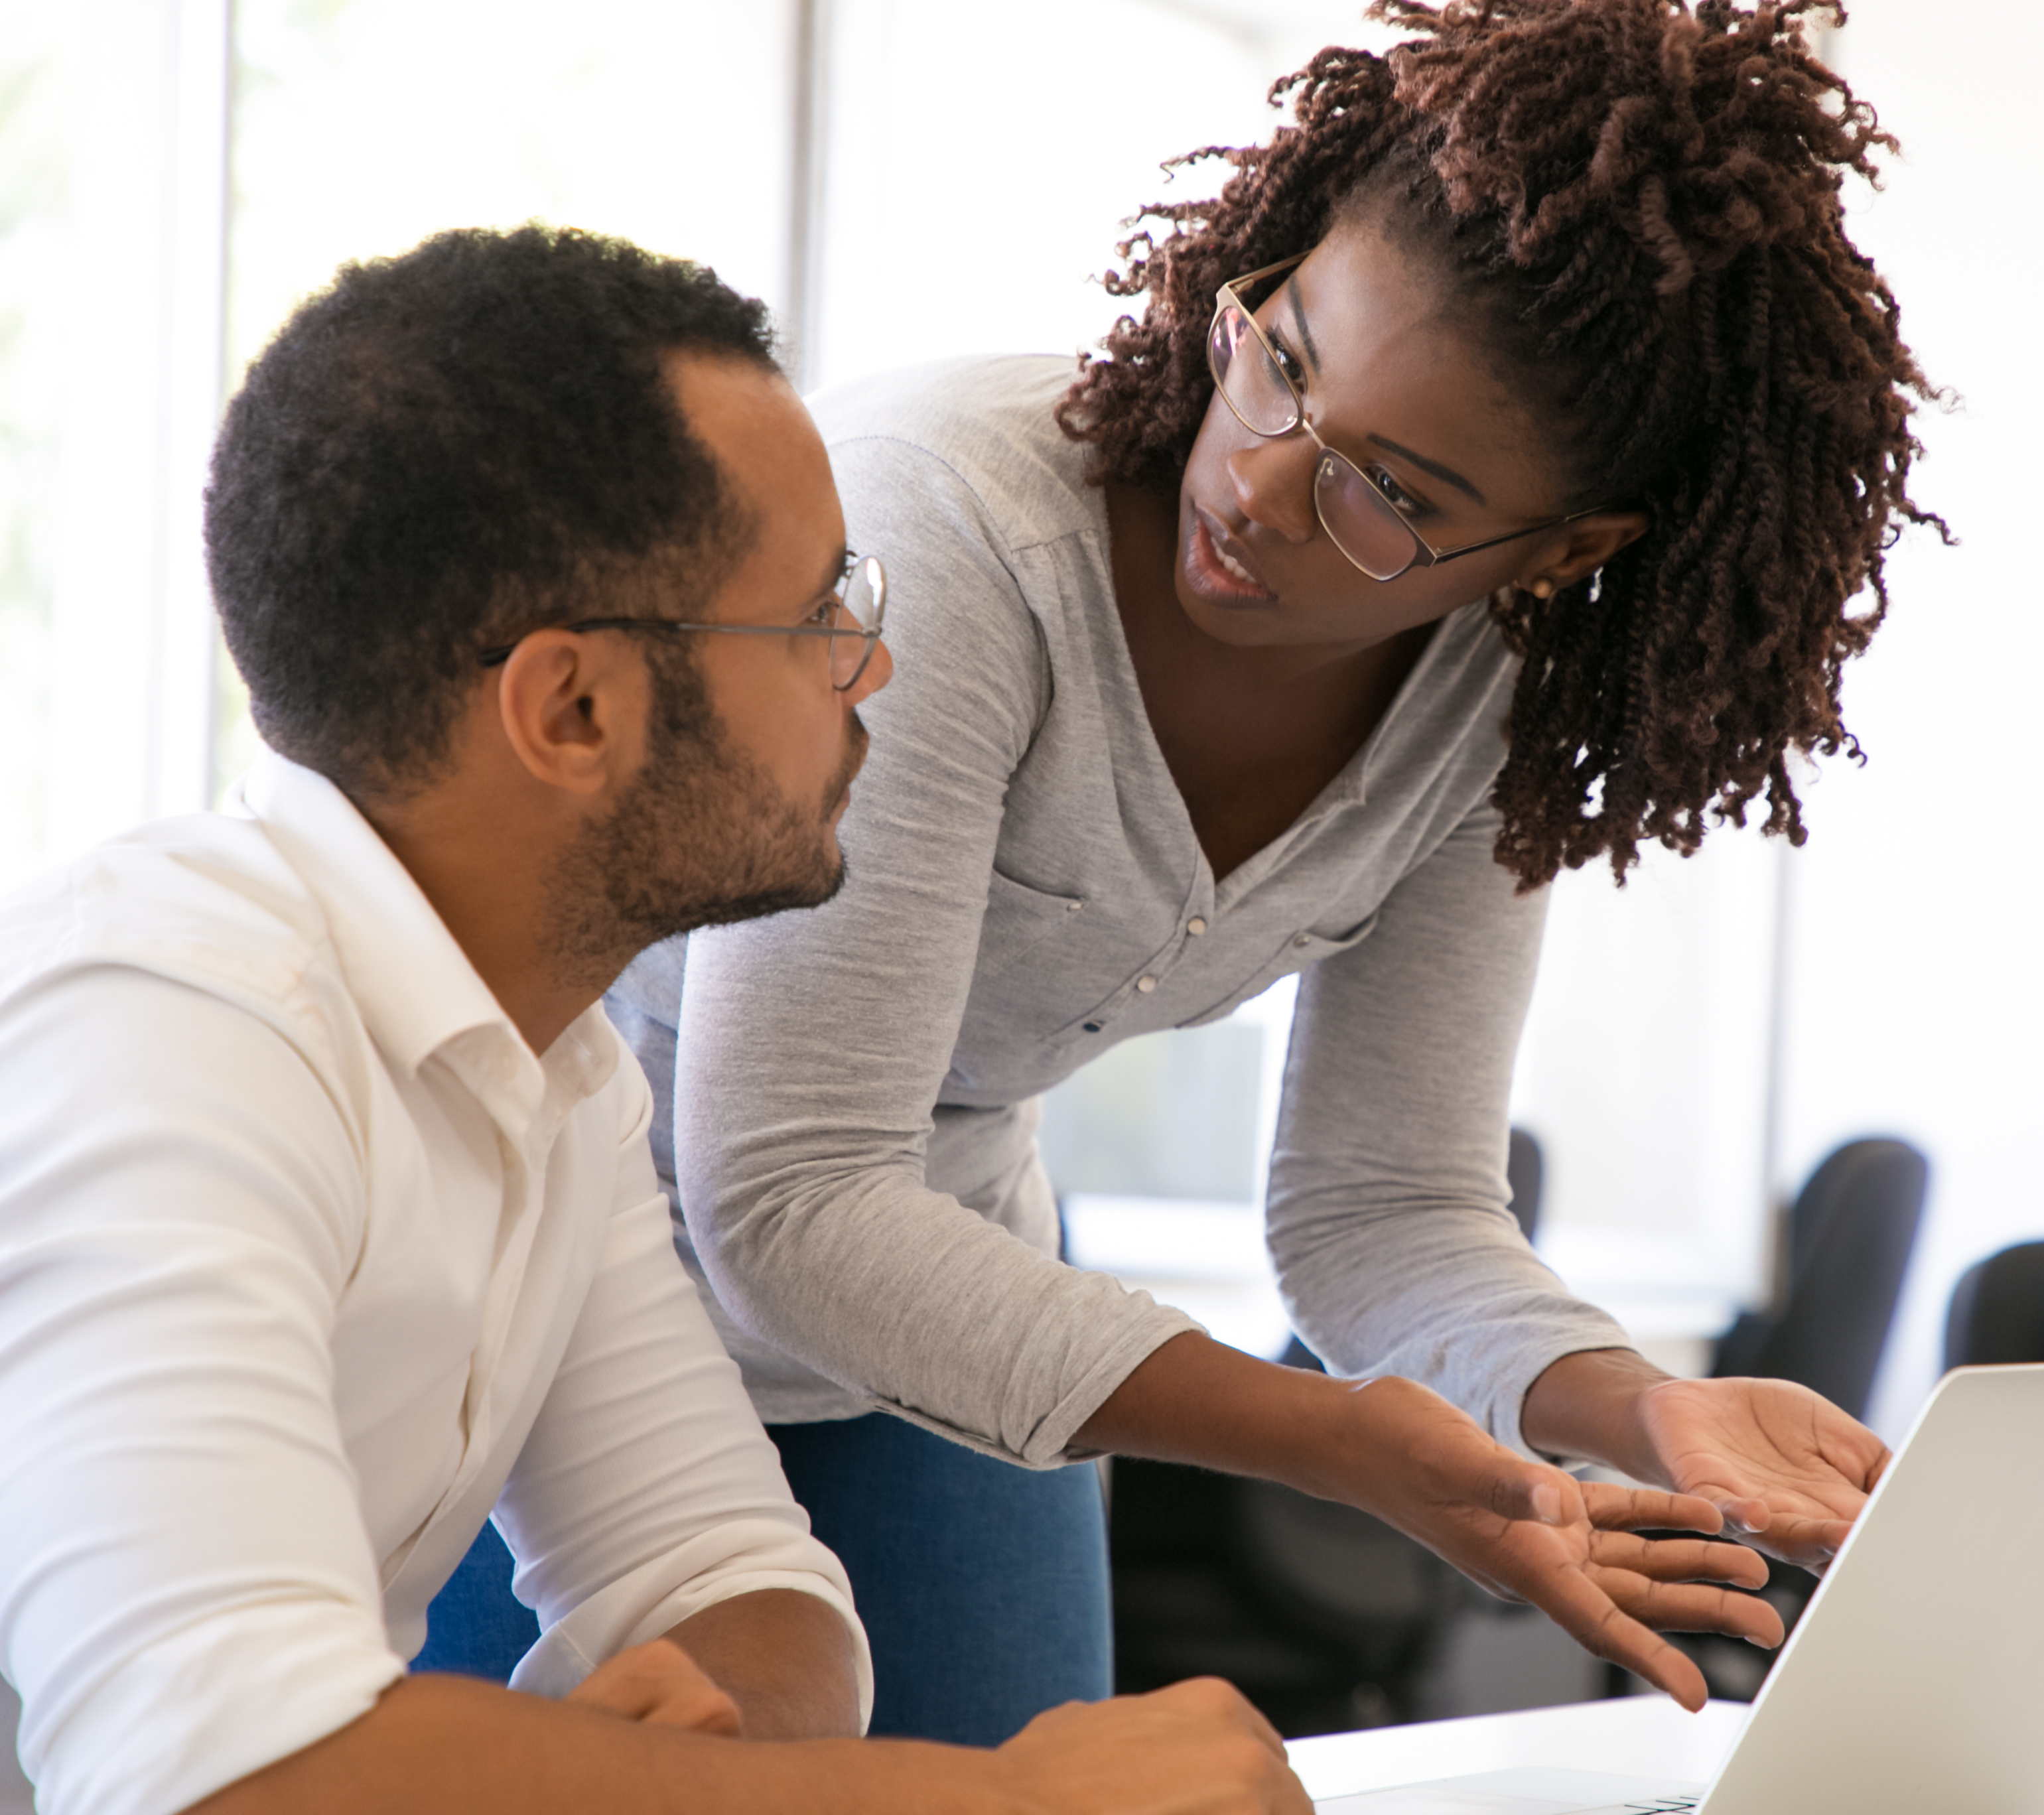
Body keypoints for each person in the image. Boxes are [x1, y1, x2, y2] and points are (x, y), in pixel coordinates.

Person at [536, 0, 1935, 1742]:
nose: (1264, 482)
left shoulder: (1493, 696)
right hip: (561, 1288)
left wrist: (1640, 1405)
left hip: (942, 1326)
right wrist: (1338, 1444)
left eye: (1393, 493)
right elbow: (788, 1194)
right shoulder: (953, 538)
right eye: (1283, 358)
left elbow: (1383, 1208)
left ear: (1569, 553)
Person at [0, 224, 1315, 1815]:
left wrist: (655, 1764)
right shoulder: (168, 1020)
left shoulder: (557, 1068)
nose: (875, 663)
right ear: (575, 711)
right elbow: (224, 1777)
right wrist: (1011, 1803)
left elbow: (735, 1582)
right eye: (820, 610)